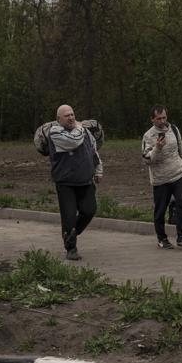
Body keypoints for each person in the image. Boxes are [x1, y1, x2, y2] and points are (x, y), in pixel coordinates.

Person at [46, 104, 103, 261]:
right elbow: (74, 142)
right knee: (69, 216)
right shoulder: (55, 132)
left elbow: (93, 151)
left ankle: (71, 235)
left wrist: (98, 170)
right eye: (67, 116)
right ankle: (71, 248)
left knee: (89, 210)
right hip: (66, 182)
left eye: (72, 114)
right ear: (59, 119)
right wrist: (80, 127)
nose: (71, 118)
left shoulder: (84, 132)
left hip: (85, 180)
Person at [141, 105, 182, 249]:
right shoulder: (148, 136)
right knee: (160, 210)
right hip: (160, 180)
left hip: (179, 174)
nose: (162, 121)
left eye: (164, 117)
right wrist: (157, 148)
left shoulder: (174, 130)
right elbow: (147, 160)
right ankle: (162, 238)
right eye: (158, 118)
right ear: (152, 119)